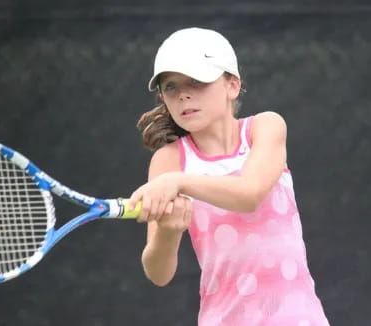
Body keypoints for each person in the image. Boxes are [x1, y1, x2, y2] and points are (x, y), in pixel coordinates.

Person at [128, 27, 330, 325]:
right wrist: (170, 231)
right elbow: (158, 273)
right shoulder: (169, 160)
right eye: (171, 87)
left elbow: (250, 193)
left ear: (232, 86)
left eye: (197, 81)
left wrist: (179, 183)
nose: (183, 94)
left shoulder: (265, 127)